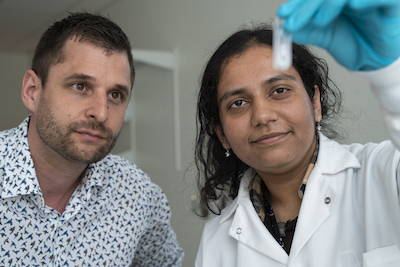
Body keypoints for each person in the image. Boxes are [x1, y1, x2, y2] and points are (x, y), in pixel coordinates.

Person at [195, 0, 400, 266]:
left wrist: (392, 76)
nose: (262, 116)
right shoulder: (216, 243)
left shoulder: (384, 173)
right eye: (238, 103)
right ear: (221, 133)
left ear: (314, 102)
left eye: (279, 90)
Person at [0, 12, 183, 266]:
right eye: (80, 86)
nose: (101, 112)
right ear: (32, 92)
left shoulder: (137, 195)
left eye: (116, 95)